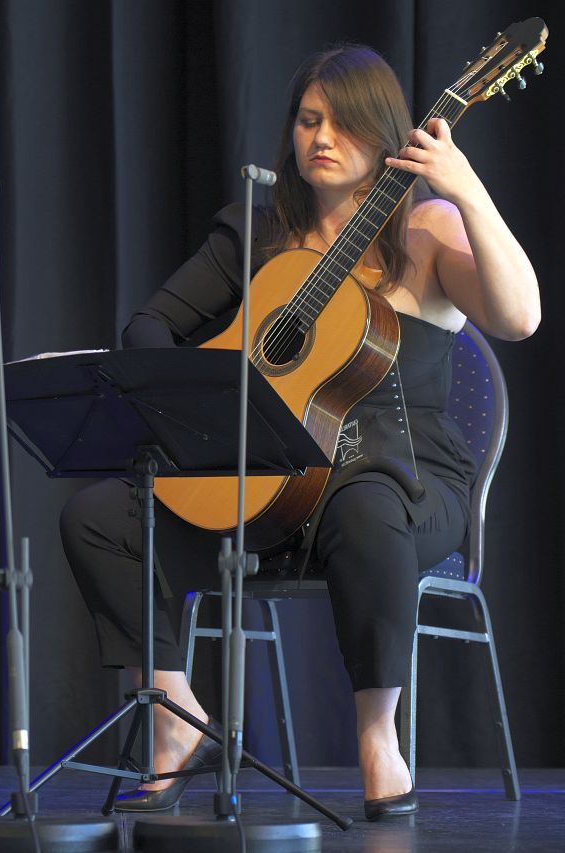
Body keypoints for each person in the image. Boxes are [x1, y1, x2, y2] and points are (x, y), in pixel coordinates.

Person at [59, 44, 539, 820]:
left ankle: (378, 736)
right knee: (101, 516)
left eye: (343, 123)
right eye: (309, 120)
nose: (321, 137)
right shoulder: (257, 235)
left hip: (402, 481)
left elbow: (520, 318)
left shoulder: (427, 227)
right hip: (269, 486)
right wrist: (207, 397)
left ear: (387, 133)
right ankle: (178, 719)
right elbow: (148, 328)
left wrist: (468, 190)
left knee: (366, 509)